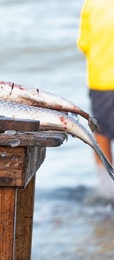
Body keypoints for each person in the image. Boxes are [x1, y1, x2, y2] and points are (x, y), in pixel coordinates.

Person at [77, 0, 114, 200]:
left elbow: (83, 43)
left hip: (101, 80)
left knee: (102, 132)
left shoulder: (92, 4)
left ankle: (107, 186)